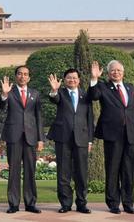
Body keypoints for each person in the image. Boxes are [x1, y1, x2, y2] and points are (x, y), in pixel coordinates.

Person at [89, 60, 134, 214]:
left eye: (119, 70)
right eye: (113, 70)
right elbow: (94, 96)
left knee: (129, 171)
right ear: (108, 73)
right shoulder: (103, 87)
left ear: (123, 72)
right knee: (112, 170)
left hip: (130, 135)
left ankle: (128, 203)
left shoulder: (130, 88)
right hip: (112, 135)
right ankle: (113, 203)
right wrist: (94, 79)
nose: (116, 72)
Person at [47, 69, 93, 214]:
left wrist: (90, 140)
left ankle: (81, 203)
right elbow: (54, 99)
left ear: (79, 80)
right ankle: (65, 203)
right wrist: (54, 90)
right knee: (63, 173)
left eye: (74, 78)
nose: (71, 80)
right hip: (63, 138)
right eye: (68, 78)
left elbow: (90, 119)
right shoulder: (60, 93)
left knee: (81, 173)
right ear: (64, 80)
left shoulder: (86, 95)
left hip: (82, 138)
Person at [0, 66, 44, 214]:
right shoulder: (9, 93)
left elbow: (38, 117)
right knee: (14, 171)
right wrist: (4, 95)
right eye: (20, 74)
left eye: (25, 74)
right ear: (16, 76)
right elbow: (1, 107)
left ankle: (31, 203)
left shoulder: (35, 94)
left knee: (30, 170)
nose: (22, 76)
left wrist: (40, 139)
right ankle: (13, 203)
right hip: (14, 136)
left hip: (31, 137)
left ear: (29, 77)